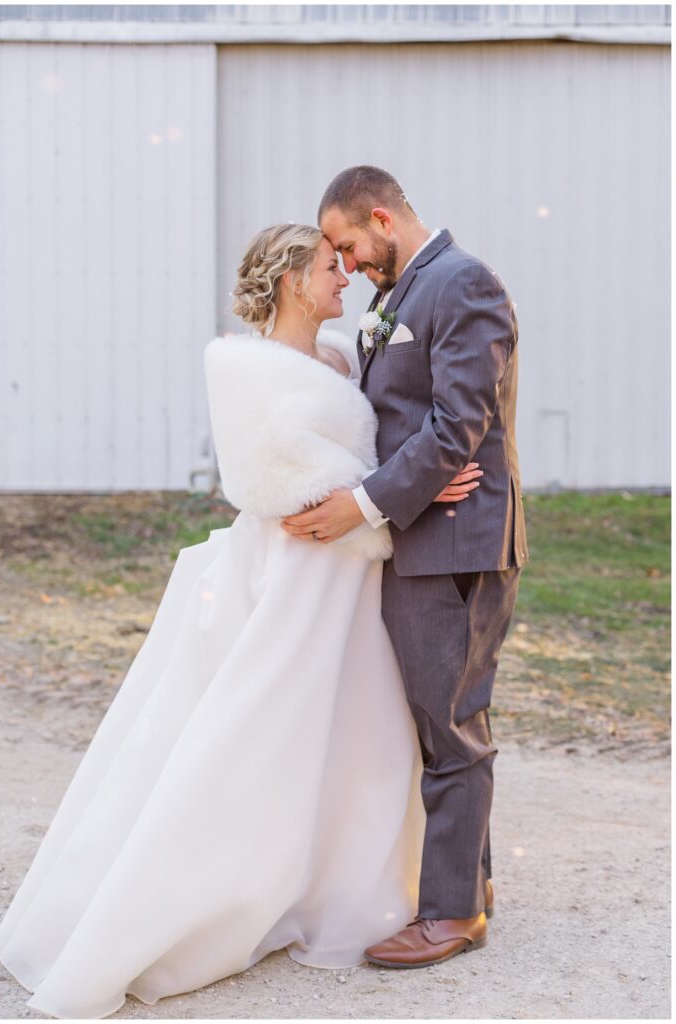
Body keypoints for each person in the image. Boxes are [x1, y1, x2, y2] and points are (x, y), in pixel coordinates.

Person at [0, 222, 480, 1019]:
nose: (346, 277)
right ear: (293, 278)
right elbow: (273, 480)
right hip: (297, 575)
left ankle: (323, 877)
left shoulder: (335, 357)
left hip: (348, 578)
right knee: (260, 735)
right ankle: (196, 896)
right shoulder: (244, 366)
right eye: (331, 267)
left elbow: (363, 461)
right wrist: (394, 502)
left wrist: (399, 491)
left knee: (354, 735)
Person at [282, 167, 528, 969]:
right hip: (421, 533)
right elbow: (411, 421)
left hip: (456, 541)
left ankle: (452, 913)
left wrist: (367, 501)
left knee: (451, 727)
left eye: (350, 246)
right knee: (436, 720)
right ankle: (472, 887)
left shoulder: (461, 283)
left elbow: (460, 422)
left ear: (382, 218)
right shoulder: (402, 296)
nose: (348, 267)